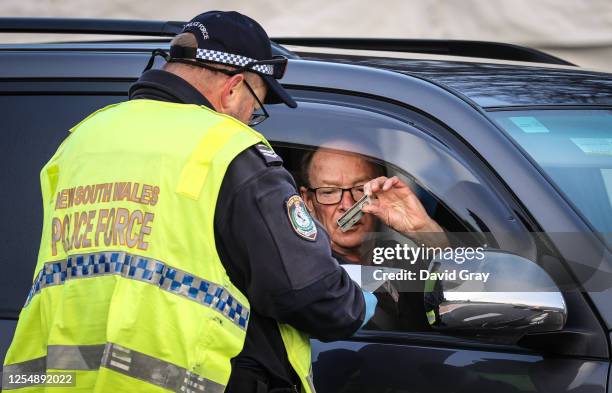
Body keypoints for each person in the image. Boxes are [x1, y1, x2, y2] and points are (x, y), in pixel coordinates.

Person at [2, 11, 376, 393]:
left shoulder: (82, 140)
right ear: (233, 89)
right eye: (256, 106)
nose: (249, 120)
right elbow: (309, 293)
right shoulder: (227, 151)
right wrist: (366, 301)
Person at [299, 144, 447, 330]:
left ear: (379, 191)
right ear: (308, 201)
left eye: (360, 190)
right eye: (329, 192)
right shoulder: (305, 275)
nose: (347, 205)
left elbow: (470, 291)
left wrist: (423, 229)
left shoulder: (399, 258)